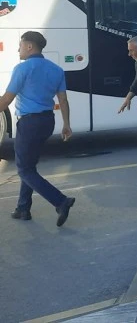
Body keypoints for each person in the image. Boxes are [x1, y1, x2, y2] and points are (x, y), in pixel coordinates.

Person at [2, 31, 75, 226]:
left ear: (29, 46)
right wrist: (66, 124)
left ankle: (60, 201)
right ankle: (23, 208)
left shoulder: (22, 69)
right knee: (29, 166)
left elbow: (6, 100)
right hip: (47, 122)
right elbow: (63, 100)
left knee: (24, 169)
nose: (18, 49)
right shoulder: (56, 69)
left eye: (20, 45)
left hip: (29, 123)